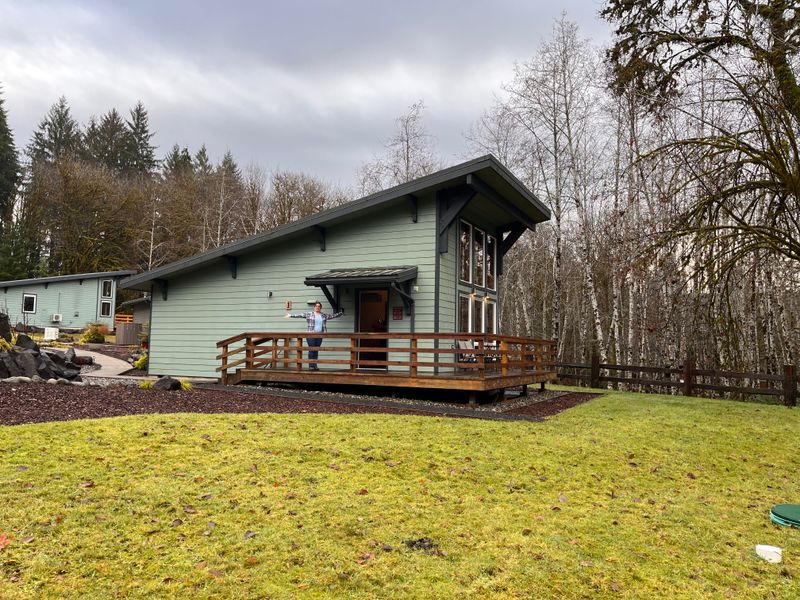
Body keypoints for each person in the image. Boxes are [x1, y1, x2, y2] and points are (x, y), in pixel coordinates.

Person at [285, 301, 344, 370]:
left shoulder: (323, 315)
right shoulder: (309, 314)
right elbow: (300, 315)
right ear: (314, 307)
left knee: (316, 350)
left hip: (320, 335)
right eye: (316, 306)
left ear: (320, 308)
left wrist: (340, 313)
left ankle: (315, 365)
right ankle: (311, 366)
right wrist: (290, 315)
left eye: (319, 306)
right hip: (311, 334)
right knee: (312, 349)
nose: (317, 307)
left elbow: (332, 316)